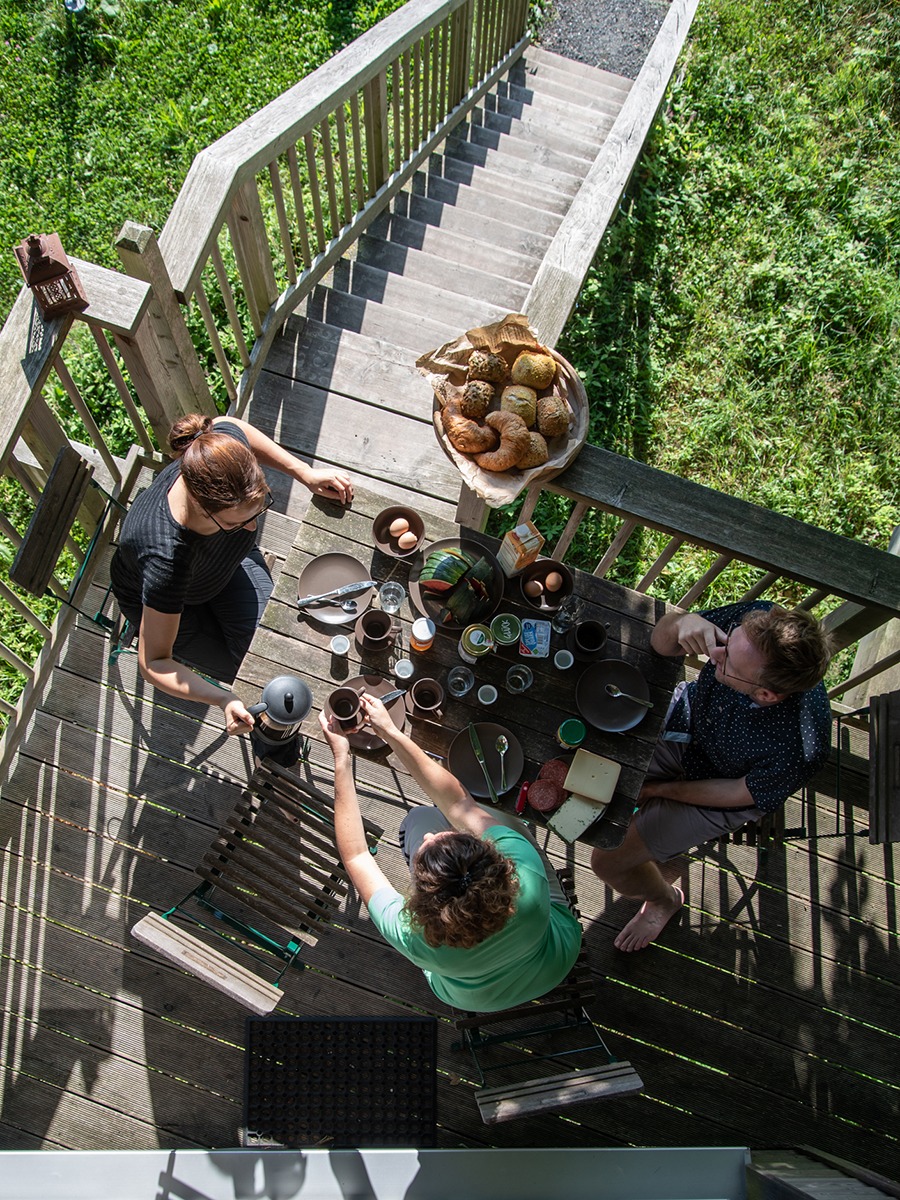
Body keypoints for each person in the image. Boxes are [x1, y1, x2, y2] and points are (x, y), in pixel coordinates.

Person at [591, 600, 832, 953]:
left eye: (728, 661)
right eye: (726, 641)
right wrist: (680, 624)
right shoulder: (754, 625)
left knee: (608, 861)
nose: (714, 654)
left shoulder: (800, 747)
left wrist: (660, 790)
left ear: (766, 694)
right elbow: (661, 642)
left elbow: (737, 793)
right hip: (688, 726)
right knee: (593, 757)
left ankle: (665, 900)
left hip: (720, 787)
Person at [319, 695, 582, 1012]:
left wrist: (341, 759)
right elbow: (461, 805)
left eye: (426, 848)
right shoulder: (524, 869)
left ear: (422, 903)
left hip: (479, 999)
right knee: (485, 812)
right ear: (496, 860)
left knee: (416, 820)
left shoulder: (414, 936)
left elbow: (357, 857)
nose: (430, 836)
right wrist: (391, 732)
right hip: (555, 960)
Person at [110, 414, 352, 741]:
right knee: (261, 678)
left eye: (259, 510)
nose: (252, 528)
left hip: (220, 569)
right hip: (170, 608)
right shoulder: (166, 559)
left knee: (279, 646)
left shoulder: (216, 454)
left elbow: (227, 422)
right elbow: (153, 661)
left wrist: (303, 473)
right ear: (200, 507)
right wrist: (222, 697)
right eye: (239, 523)